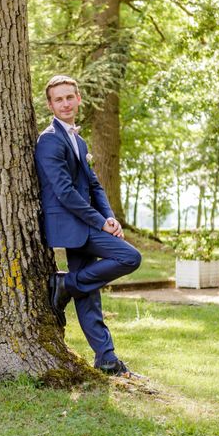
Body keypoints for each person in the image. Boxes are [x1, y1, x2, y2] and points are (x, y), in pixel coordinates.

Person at [34, 76, 142, 377]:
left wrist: (109, 217)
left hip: (87, 221)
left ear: (78, 99)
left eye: (70, 97)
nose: (66, 103)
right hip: (70, 224)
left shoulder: (78, 140)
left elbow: (93, 185)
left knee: (89, 289)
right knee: (130, 257)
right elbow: (64, 191)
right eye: (59, 99)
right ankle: (65, 284)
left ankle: (106, 358)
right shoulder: (49, 140)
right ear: (50, 105)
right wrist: (99, 223)